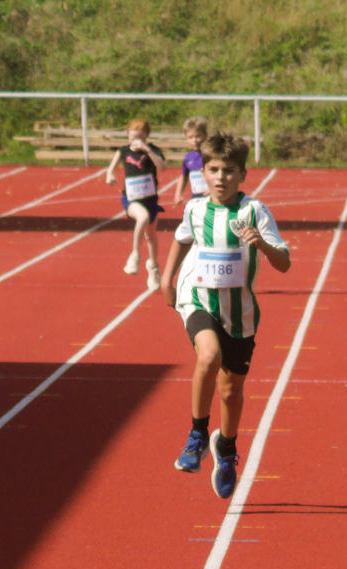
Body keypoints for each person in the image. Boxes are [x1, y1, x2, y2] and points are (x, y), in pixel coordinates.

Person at [159, 132, 291, 499]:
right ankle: (198, 434)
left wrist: (262, 244)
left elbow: (284, 262)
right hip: (197, 298)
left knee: (231, 390)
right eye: (214, 170)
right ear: (203, 173)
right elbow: (182, 238)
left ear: (242, 174)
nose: (220, 178)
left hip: (240, 313)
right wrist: (167, 279)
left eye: (229, 170)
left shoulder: (255, 212)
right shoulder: (195, 208)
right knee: (208, 356)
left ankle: (227, 449)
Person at [104, 118, 168, 290]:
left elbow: (162, 167)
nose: (135, 141)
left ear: (146, 136)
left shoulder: (152, 150)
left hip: (150, 199)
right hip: (131, 198)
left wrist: (147, 150)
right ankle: (135, 255)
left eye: (139, 138)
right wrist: (110, 175)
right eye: (132, 138)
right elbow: (110, 168)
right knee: (142, 217)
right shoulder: (123, 151)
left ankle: (153, 267)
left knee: (151, 236)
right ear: (127, 135)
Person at [166, 116, 210, 206]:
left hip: (213, 198)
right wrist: (178, 194)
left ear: (205, 135)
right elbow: (184, 176)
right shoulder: (188, 157)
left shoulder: (211, 155)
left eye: (198, 136)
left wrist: (213, 189)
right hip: (196, 199)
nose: (194, 140)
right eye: (190, 137)